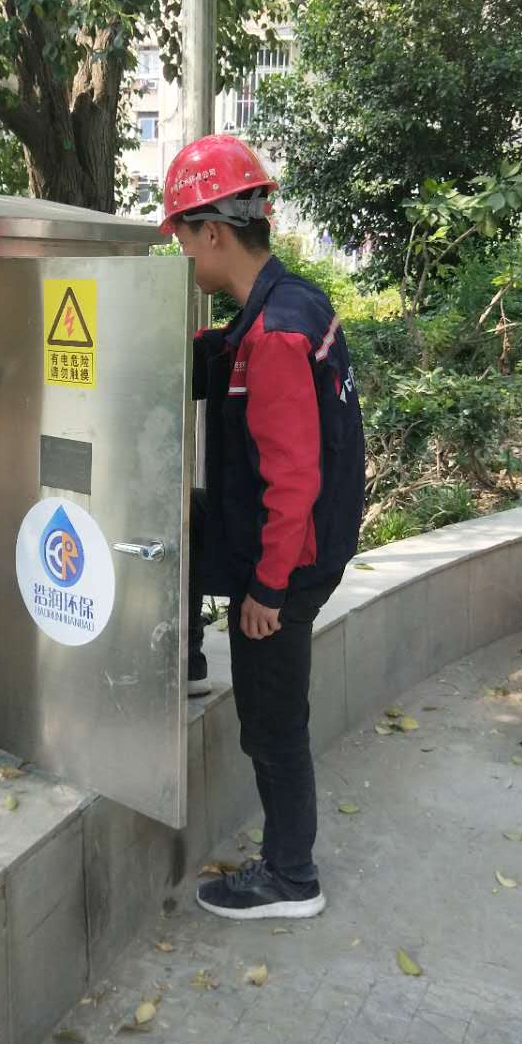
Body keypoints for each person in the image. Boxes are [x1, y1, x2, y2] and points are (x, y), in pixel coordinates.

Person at [161, 135, 365, 921]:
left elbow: (295, 478)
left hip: (287, 560)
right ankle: (183, 655)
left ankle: (290, 877)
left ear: (213, 230)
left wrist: (268, 591)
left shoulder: (276, 335)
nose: (184, 255)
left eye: (183, 236)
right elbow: (228, 358)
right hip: (292, 542)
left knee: (272, 722)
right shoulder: (287, 306)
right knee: (178, 521)